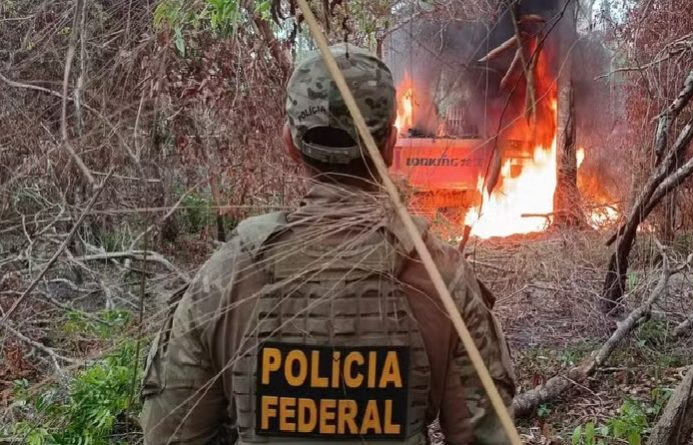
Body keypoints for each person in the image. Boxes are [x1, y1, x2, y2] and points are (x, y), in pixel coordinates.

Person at [140, 43, 516, 445]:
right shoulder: (442, 275)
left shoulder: (225, 276)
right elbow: (486, 436)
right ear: (389, 146)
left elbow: (169, 433)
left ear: (289, 142)